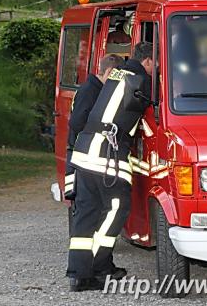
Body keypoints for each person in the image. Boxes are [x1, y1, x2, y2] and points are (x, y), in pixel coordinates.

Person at [67, 42, 154, 292]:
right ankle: (100, 265)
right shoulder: (140, 80)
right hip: (106, 157)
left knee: (85, 215)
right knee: (116, 209)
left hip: (85, 153)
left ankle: (79, 276)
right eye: (155, 64)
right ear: (147, 61)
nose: (155, 68)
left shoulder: (117, 74)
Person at [64, 54, 124, 203]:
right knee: (82, 205)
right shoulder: (90, 91)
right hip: (79, 154)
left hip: (83, 155)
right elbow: (77, 123)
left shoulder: (93, 88)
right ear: (110, 72)